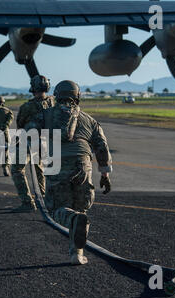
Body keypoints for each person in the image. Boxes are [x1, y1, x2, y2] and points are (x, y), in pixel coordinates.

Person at [43, 80, 112, 265]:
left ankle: (73, 221)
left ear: (56, 96)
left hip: (56, 163)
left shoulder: (46, 115)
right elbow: (102, 147)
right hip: (83, 164)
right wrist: (105, 174)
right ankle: (77, 254)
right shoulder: (89, 120)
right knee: (80, 209)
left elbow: (28, 134)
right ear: (78, 97)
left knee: (57, 209)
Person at [11, 75, 55, 212]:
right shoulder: (53, 103)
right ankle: (41, 199)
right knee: (39, 169)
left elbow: (20, 123)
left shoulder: (27, 106)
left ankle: (27, 202)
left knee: (17, 169)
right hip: (45, 142)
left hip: (28, 141)